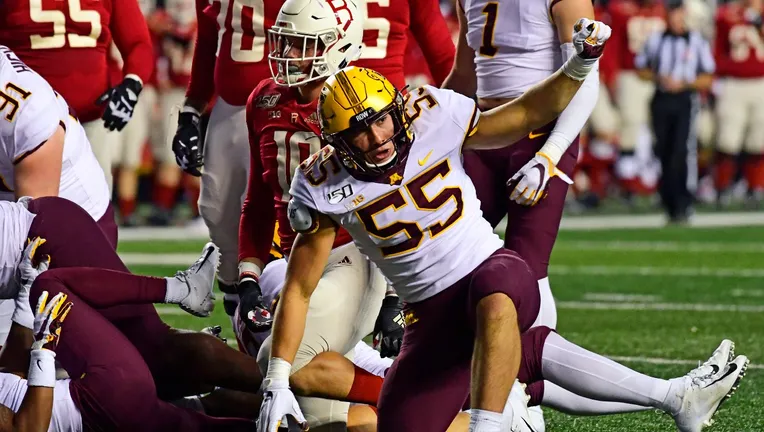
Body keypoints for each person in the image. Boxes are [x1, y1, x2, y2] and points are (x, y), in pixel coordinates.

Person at [259, 20, 749, 431]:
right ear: (335, 143)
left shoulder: (433, 113)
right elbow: (299, 289)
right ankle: (675, 397)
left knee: (495, 299)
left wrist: (577, 66)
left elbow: (525, 113)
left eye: (382, 120)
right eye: (358, 132)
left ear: (399, 110)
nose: (376, 137)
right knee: (404, 422)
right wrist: (277, 379)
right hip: (429, 317)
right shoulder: (321, 182)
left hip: (489, 272)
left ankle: (491, 425)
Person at [237, 1, 391, 429]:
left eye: (302, 44)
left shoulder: (361, 99)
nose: (287, 53)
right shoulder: (264, 99)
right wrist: (247, 278)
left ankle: (413, 390)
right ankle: (465, 417)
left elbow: (393, 198)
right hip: (292, 265)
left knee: (281, 364)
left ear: (338, 45)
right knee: (322, 420)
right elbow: (256, 199)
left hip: (350, 258)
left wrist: (396, 296)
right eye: (284, 41)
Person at [0, 238, 257, 431]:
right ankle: (179, 289)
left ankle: (287, 398)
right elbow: (30, 429)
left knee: (228, 417)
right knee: (48, 286)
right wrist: (43, 352)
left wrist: (24, 299)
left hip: (109, 414)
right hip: (102, 396)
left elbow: (10, 372)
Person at [0, 45, 111, 346]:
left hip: (71, 224)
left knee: (132, 358)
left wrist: (22, 333)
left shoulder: (24, 108)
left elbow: (35, 240)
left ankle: (242, 385)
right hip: (12, 215)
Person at [0, 0, 154, 192]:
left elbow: (138, 42)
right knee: (28, 212)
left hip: (89, 118)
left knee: (92, 211)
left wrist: (131, 83)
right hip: (23, 121)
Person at [636, 0, 715, 223]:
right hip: (661, 99)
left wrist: (685, 83)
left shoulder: (696, 41)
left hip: (685, 99)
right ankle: (668, 201)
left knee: (682, 150)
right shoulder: (656, 40)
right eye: (672, 15)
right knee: (664, 150)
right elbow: (640, 69)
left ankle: (684, 200)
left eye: (679, 15)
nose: (676, 20)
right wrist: (659, 78)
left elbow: (708, 77)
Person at [713, 0, 764, 205]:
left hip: (760, 81)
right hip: (733, 82)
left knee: (758, 140)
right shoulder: (727, 14)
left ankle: (756, 187)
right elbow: (718, 49)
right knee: (727, 139)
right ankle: (722, 187)